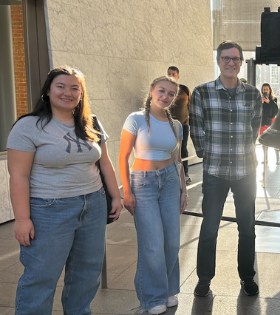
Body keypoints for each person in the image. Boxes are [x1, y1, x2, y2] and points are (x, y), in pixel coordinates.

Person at [7, 66, 122, 315]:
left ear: (81, 94)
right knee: (41, 277)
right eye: (60, 86)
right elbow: (18, 175)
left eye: (74, 88)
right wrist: (22, 219)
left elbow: (105, 163)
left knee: (86, 274)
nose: (67, 93)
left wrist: (115, 196)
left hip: (93, 204)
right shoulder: (29, 126)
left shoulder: (91, 123)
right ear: (48, 91)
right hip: (48, 209)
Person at [190, 40, 262, 297]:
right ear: (219, 61)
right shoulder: (201, 92)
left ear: (241, 62)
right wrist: (208, 155)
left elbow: (254, 128)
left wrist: (243, 151)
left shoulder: (253, 94)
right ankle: (204, 279)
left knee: (247, 229)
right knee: (209, 228)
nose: (231, 63)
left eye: (235, 58)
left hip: (245, 171)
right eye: (225, 58)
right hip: (215, 172)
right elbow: (197, 130)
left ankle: (247, 277)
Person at [119, 76, 187, 315]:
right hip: (143, 183)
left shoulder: (175, 124)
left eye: (170, 93)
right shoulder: (135, 119)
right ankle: (152, 298)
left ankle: (168, 290)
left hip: (169, 182)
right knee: (152, 243)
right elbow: (123, 157)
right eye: (161, 91)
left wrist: (183, 190)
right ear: (151, 91)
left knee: (171, 241)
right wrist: (126, 191)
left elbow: (178, 160)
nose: (165, 97)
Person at [167, 66, 192, 183]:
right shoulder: (165, 89)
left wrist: (188, 121)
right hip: (168, 124)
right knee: (170, 149)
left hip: (183, 125)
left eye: (173, 74)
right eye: (169, 74)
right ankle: (172, 174)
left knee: (183, 149)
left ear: (178, 76)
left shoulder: (184, 90)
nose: (171, 76)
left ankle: (185, 173)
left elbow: (190, 106)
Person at [259, 83, 280, 165]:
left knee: (275, 140)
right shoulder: (260, 99)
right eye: (264, 89)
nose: (265, 91)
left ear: (270, 90)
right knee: (264, 141)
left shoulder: (273, 99)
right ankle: (265, 159)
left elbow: (276, 110)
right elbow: (257, 110)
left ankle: (278, 159)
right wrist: (261, 102)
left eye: (267, 89)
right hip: (263, 122)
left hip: (271, 122)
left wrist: (269, 102)